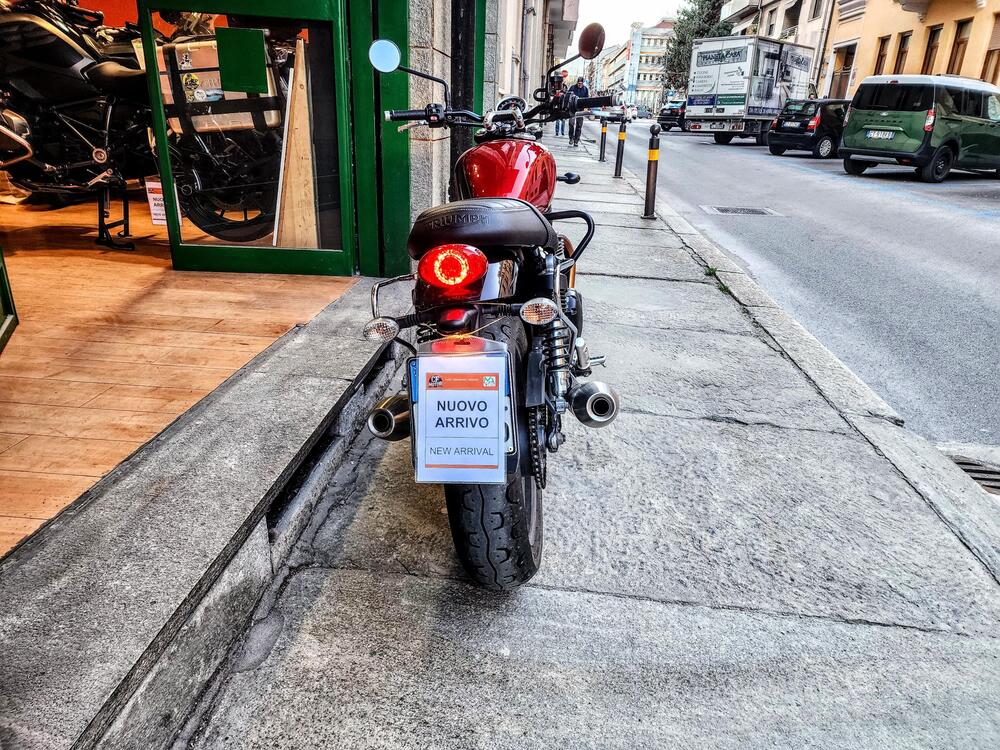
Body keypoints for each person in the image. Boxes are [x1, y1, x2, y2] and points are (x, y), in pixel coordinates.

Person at [568, 76, 589, 146]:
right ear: (577, 82)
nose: (580, 85)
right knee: (571, 124)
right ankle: (571, 138)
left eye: (581, 83)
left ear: (583, 83)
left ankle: (576, 140)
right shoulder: (572, 88)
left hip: (580, 109)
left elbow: (587, 99)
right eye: (578, 83)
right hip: (572, 109)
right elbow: (568, 96)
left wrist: (586, 107)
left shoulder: (585, 89)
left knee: (579, 125)